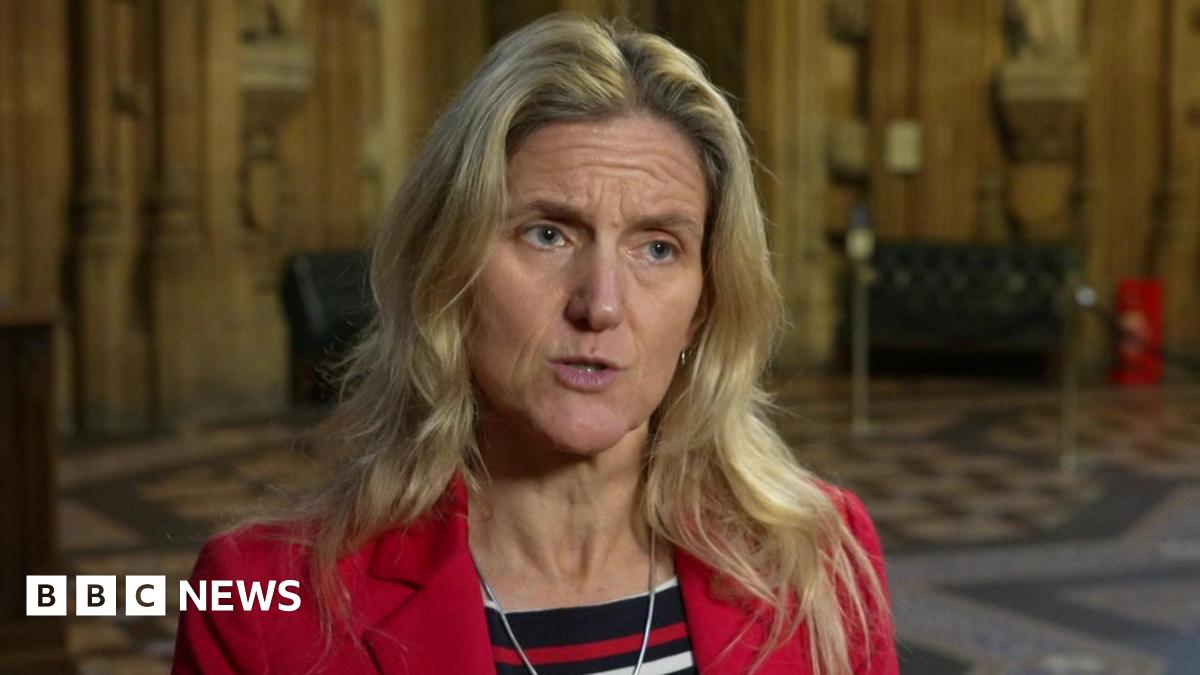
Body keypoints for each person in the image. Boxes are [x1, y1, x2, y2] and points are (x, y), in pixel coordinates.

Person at [173, 13, 897, 675]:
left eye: (657, 248)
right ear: (447, 266)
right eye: (547, 233)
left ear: (706, 302)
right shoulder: (260, 601)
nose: (601, 304)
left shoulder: (817, 556)